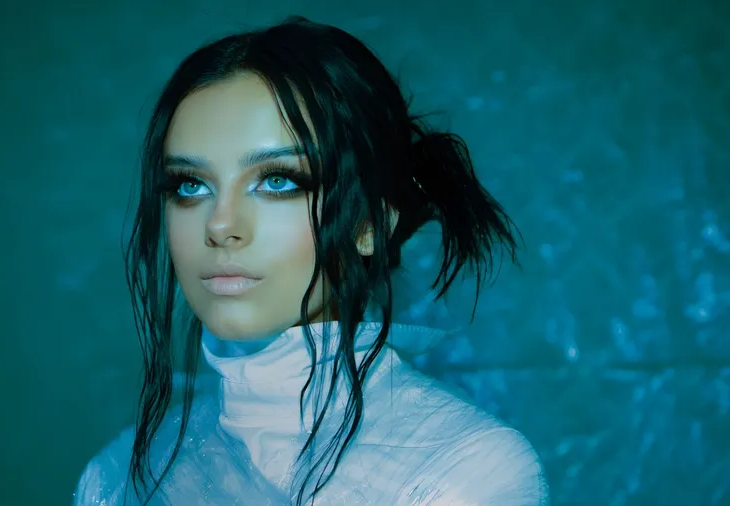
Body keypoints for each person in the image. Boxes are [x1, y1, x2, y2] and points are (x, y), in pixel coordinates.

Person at [73, 15, 549, 506]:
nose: (220, 224)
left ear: (369, 224)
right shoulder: (116, 477)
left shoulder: (465, 471)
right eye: (190, 185)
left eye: (278, 180)